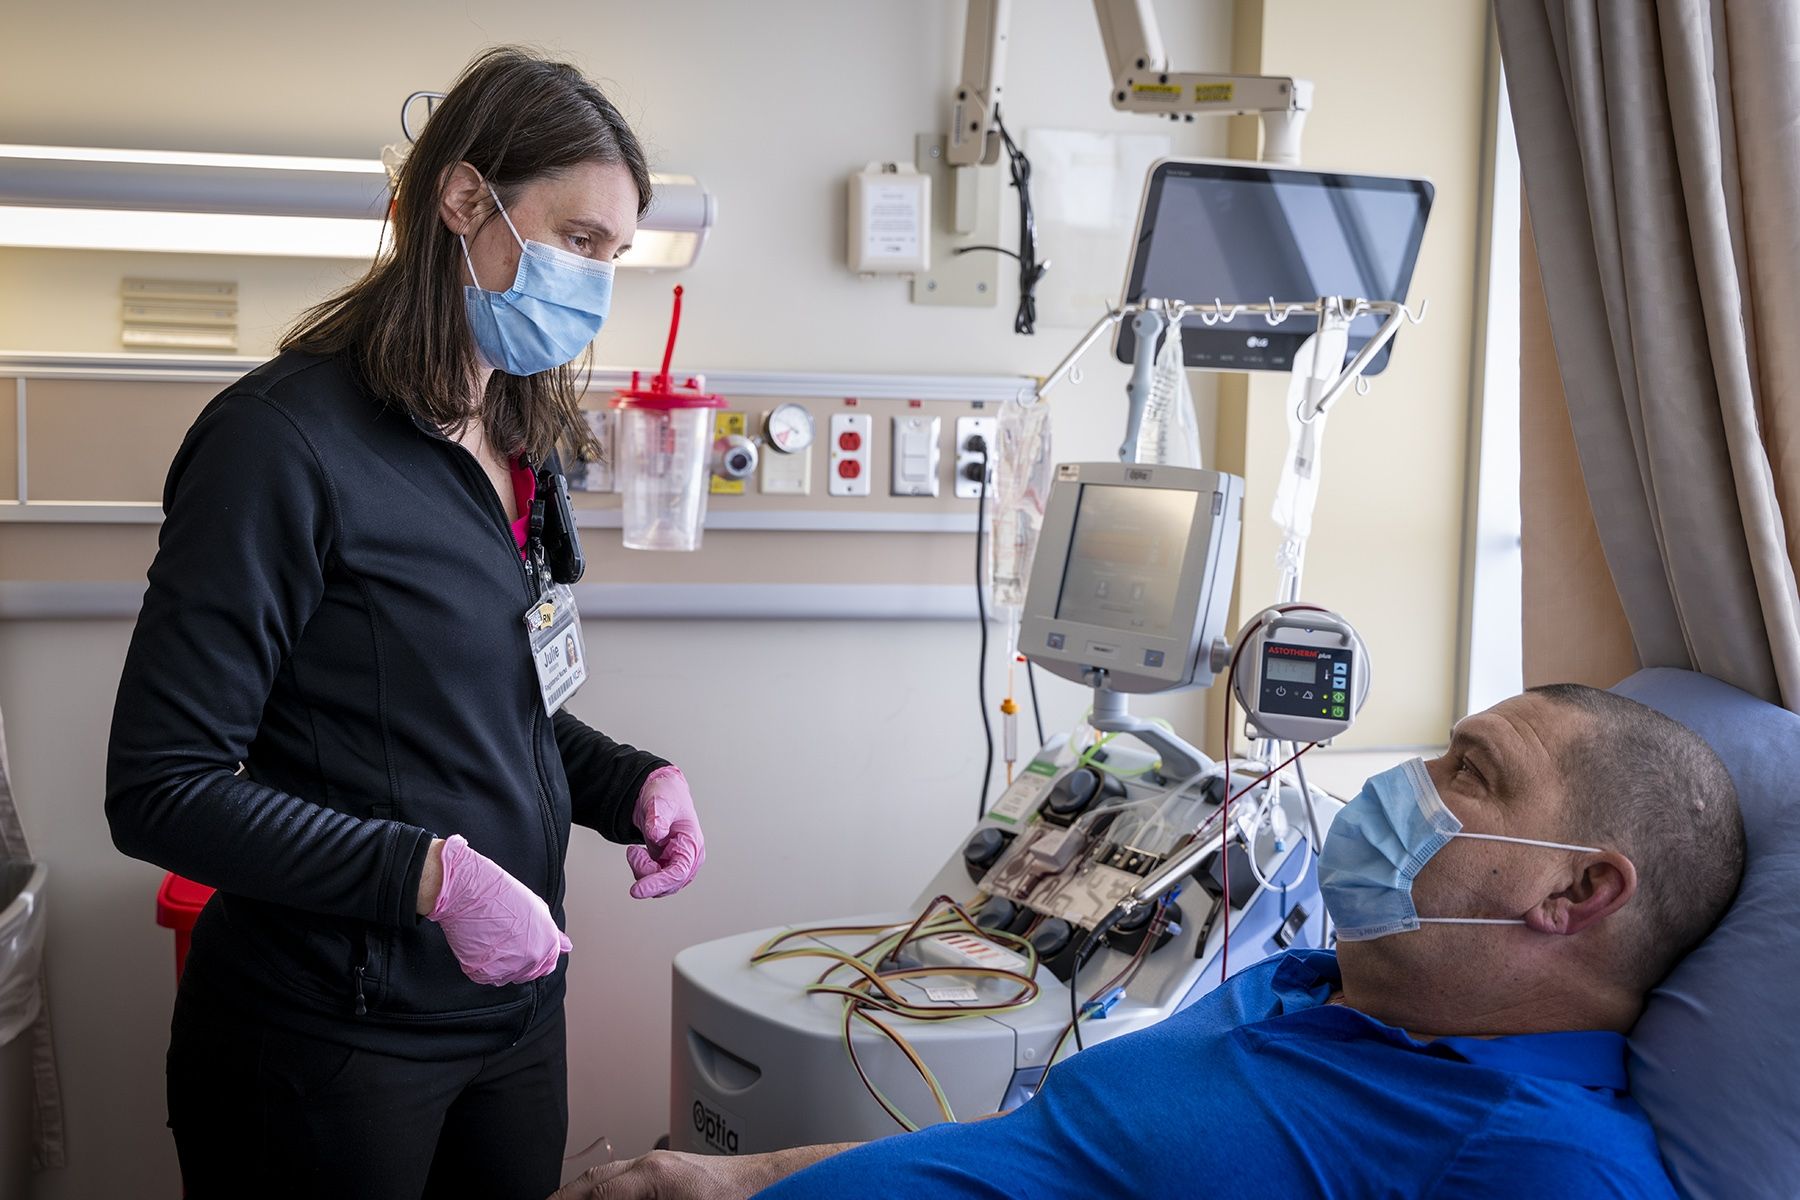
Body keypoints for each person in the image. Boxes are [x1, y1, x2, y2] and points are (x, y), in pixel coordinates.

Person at [104, 47, 705, 1200]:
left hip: (511, 1017)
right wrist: (430, 879)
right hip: (329, 1046)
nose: (595, 283)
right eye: (578, 241)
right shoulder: (282, 445)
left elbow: (490, 710)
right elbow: (161, 787)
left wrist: (628, 784)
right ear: (465, 200)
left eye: (614, 257)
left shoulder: (514, 436)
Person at [553, 684, 1743, 1200]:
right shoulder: (1300, 990)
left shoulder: (1535, 1157)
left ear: (1579, 890)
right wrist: (736, 1178)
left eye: (1468, 774)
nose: (1406, 786)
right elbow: (1029, 1157)